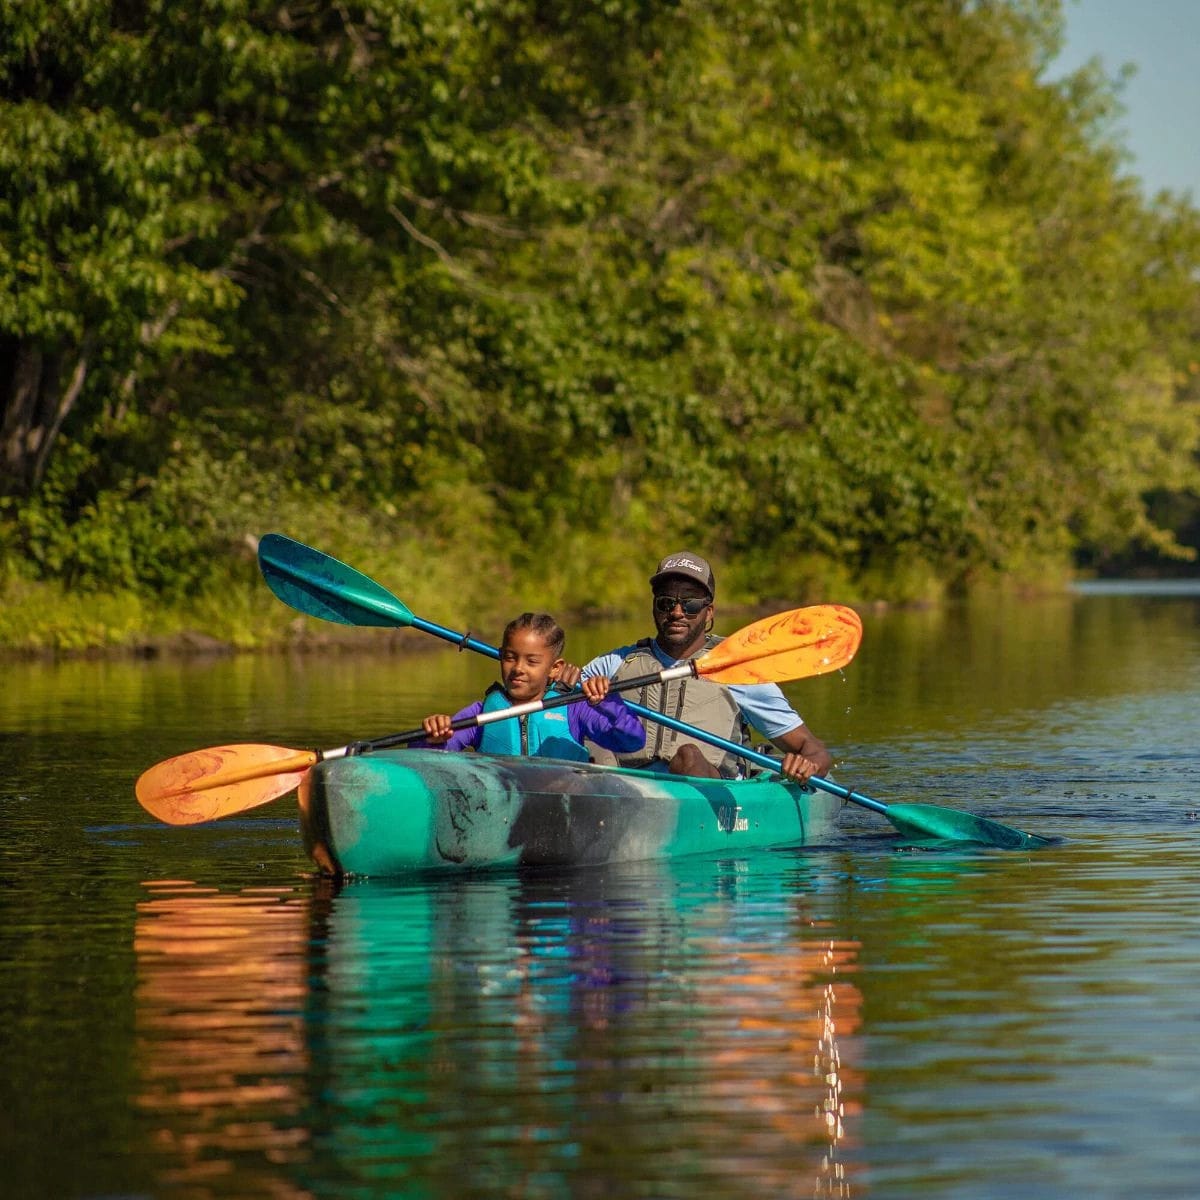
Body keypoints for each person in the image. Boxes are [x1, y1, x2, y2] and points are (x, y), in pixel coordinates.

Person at [568, 552, 832, 783]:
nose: (677, 612)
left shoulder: (740, 670)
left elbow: (811, 747)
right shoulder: (614, 664)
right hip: (627, 789)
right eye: (666, 602)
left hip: (705, 789)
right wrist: (563, 678)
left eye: (691, 604)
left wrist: (808, 764)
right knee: (592, 751)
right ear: (655, 608)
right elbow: (557, 700)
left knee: (688, 755)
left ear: (710, 612)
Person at [419, 611, 645, 762]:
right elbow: (427, 760)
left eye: (532, 661)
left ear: (555, 668)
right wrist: (432, 738)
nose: (518, 668)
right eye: (510, 657)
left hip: (561, 813)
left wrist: (608, 701)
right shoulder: (481, 712)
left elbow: (631, 741)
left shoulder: (574, 709)